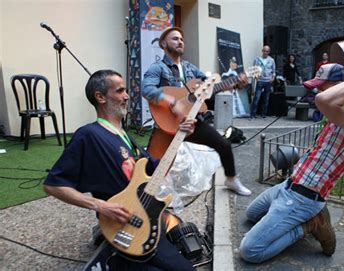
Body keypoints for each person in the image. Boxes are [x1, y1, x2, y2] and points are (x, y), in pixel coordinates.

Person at [239, 60, 344, 263]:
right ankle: (287, 218)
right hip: (288, 186)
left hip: (304, 197)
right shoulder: (342, 109)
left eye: (322, 85)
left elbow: (323, 100)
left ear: (343, 85)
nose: (316, 91)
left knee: (250, 251)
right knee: (252, 214)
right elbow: (325, 100)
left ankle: (309, 224)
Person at [43, 70, 197, 270]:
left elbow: (159, 170)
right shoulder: (89, 135)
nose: (127, 96)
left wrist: (180, 137)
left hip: (146, 221)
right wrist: (100, 206)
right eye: (120, 91)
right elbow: (53, 185)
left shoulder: (125, 136)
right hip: (119, 224)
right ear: (100, 97)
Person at [142, 27, 251, 196]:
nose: (180, 42)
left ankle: (231, 179)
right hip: (167, 124)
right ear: (163, 44)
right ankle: (144, 195)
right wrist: (172, 101)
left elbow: (210, 86)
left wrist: (236, 83)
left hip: (193, 121)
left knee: (224, 145)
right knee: (153, 165)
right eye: (175, 39)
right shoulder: (158, 68)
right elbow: (146, 89)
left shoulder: (190, 68)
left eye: (181, 39)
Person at [249, 45, 276, 119]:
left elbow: (273, 71)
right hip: (260, 81)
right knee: (256, 98)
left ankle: (263, 114)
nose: (265, 52)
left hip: (268, 81)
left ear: (269, 52)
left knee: (266, 99)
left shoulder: (271, 60)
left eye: (267, 51)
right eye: (264, 51)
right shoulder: (257, 59)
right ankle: (253, 115)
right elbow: (253, 70)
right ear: (262, 51)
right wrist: (255, 78)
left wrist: (273, 78)